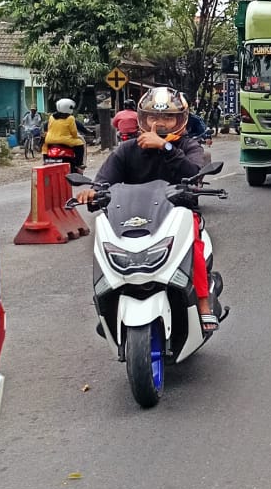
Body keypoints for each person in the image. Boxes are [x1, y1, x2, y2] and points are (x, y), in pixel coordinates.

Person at [78, 87, 225, 335]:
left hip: (178, 214)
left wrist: (165, 148)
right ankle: (108, 305)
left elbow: (193, 173)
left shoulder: (189, 146)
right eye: (153, 117)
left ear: (181, 120)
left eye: (168, 117)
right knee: (103, 245)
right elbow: (103, 181)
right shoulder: (127, 150)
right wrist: (92, 192)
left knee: (195, 246)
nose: (160, 123)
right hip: (131, 218)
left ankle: (202, 302)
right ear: (142, 119)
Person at [44, 98, 88, 172]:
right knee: (80, 143)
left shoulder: (51, 117)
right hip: (64, 141)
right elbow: (74, 133)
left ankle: (45, 161)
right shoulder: (70, 118)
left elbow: (48, 128)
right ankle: (79, 164)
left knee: (45, 149)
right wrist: (76, 136)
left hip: (49, 140)